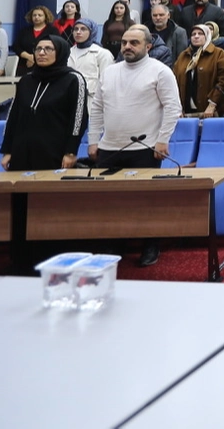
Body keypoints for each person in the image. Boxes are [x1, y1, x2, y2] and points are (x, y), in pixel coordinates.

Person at [88, 25, 181, 267]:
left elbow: (173, 108)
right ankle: (114, 243)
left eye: (134, 43)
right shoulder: (110, 71)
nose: (127, 46)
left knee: (146, 202)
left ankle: (150, 244)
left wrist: (163, 139)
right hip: (109, 148)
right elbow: (97, 107)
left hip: (145, 148)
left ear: (148, 46)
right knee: (110, 201)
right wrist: (93, 140)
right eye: (124, 42)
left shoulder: (160, 71)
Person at [0, 35, 88, 171]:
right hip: (22, 150)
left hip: (55, 151)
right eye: (38, 49)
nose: (41, 53)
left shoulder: (73, 79)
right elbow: (13, 116)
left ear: (60, 52)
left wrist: (71, 152)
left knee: (48, 191)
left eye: (48, 49)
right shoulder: (26, 80)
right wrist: (7, 150)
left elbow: (78, 119)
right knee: (19, 190)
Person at [172, 24, 224, 118]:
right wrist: (177, 107)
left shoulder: (219, 54)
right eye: (193, 34)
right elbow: (174, 81)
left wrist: (212, 105)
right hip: (186, 111)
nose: (196, 36)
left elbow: (223, 81)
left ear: (207, 36)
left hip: (213, 112)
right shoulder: (183, 56)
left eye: (200, 34)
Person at [68, 18, 112, 114]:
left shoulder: (102, 53)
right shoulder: (68, 52)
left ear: (92, 32)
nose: (78, 32)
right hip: (70, 100)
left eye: (83, 29)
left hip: (92, 102)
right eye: (76, 29)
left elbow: (107, 82)